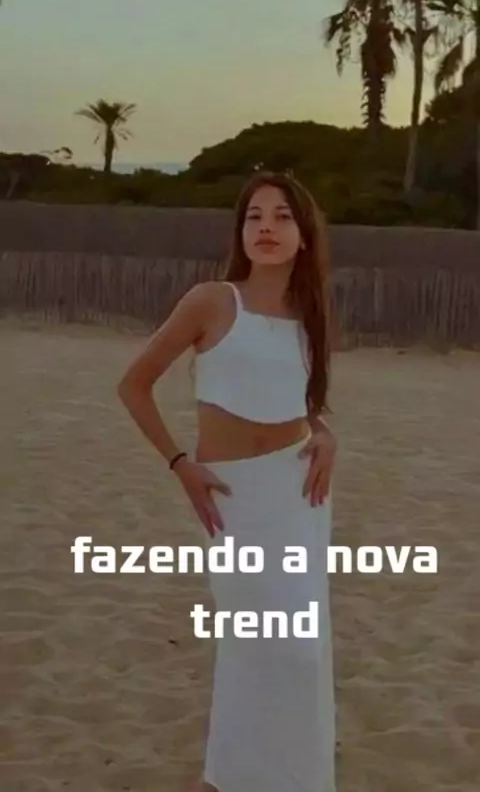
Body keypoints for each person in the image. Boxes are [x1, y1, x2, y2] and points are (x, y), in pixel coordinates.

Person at [117, 170, 338, 792]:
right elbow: (133, 385)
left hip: (298, 493)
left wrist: (325, 433)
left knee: (302, 651)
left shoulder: (310, 313)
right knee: (258, 645)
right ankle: (224, 781)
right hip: (233, 497)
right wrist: (179, 464)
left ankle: (293, 778)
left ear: (304, 234)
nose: (267, 227)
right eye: (254, 217)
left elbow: (304, 400)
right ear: (240, 232)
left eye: (283, 216)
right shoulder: (212, 301)